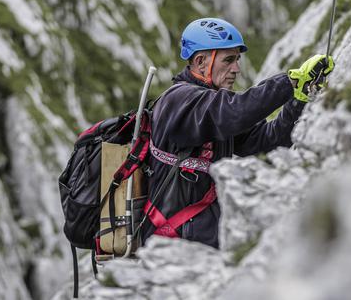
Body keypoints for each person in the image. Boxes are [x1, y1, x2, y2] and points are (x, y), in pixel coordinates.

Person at [141, 17, 334, 248]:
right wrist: (290, 81)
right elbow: (235, 111)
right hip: (174, 238)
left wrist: (297, 100)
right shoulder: (178, 100)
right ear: (201, 61)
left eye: (237, 60)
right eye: (229, 60)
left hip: (199, 232)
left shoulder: (210, 109)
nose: (236, 69)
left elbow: (268, 140)